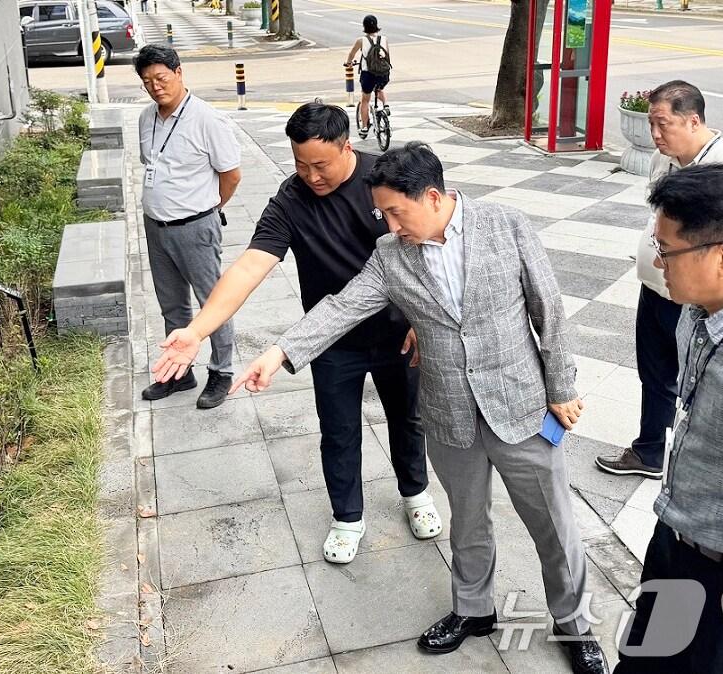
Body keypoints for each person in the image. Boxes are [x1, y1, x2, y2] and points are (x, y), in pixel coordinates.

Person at [232, 142, 607, 674]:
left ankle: (574, 625)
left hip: (521, 407)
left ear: (432, 197)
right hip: (449, 411)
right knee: (468, 521)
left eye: (395, 212)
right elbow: (342, 307)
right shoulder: (391, 254)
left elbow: (549, 309)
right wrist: (279, 353)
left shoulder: (505, 225)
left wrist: (562, 387)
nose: (388, 225)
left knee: (554, 525)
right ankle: (473, 611)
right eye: (381, 214)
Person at [152, 103, 441, 565]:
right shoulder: (290, 199)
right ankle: (347, 518)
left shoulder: (382, 183)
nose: (311, 175)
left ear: (347, 147)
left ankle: (416, 494)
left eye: (320, 164)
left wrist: (428, 323)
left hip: (398, 333)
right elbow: (250, 266)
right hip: (328, 339)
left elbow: (428, 249)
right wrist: (196, 330)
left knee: (409, 419)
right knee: (339, 431)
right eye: (299, 163)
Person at [614, 164, 723, 673]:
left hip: (714, 569)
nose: (657, 262)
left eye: (666, 250)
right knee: (641, 656)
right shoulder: (695, 315)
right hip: (675, 531)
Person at [596, 80, 723, 480]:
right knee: (654, 374)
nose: (655, 135)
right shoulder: (661, 160)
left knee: (693, 379)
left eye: (663, 124)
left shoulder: (717, 168)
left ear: (693, 120)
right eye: (651, 124)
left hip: (693, 297)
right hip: (655, 286)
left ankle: (686, 462)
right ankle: (651, 451)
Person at [133, 44, 242, 409]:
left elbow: (231, 175)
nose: (155, 87)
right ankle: (178, 373)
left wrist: (210, 211)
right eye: (147, 81)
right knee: (171, 306)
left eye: (161, 78)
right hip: (156, 225)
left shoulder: (207, 119)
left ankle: (221, 372)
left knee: (213, 303)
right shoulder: (146, 118)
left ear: (179, 73)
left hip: (195, 226)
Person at [345, 14, 391, 140]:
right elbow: (387, 55)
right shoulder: (384, 39)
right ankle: (386, 105)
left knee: (365, 99)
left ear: (364, 26)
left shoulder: (361, 41)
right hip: (383, 73)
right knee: (380, 89)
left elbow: (351, 54)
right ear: (377, 25)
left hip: (368, 74)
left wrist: (349, 63)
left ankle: (364, 127)